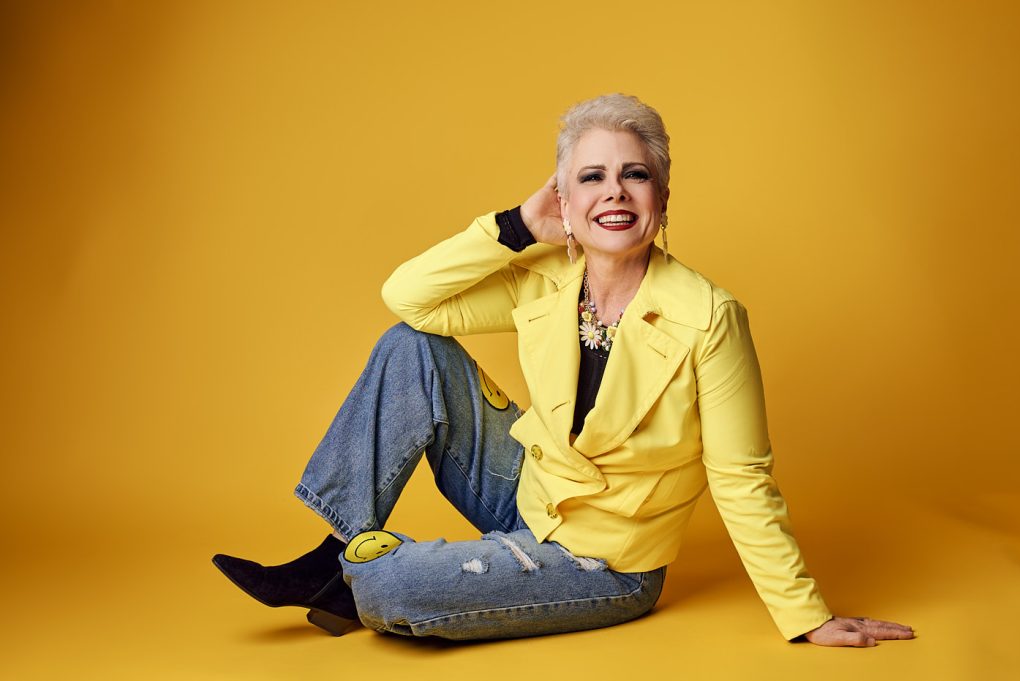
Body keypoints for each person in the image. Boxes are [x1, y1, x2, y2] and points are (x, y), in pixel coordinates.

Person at [213, 93, 915, 647]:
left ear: (661, 200)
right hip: (528, 492)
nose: (615, 191)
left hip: (606, 561)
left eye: (635, 174)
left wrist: (804, 613)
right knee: (411, 345)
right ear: (568, 205)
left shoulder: (709, 317)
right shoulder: (545, 276)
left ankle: (360, 577)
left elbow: (741, 476)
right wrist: (516, 225)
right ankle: (333, 553)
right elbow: (410, 299)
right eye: (592, 177)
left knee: (395, 589)